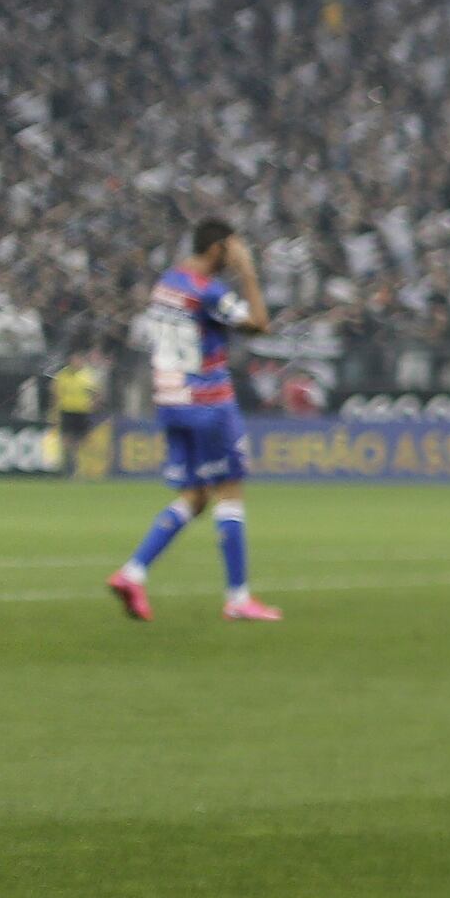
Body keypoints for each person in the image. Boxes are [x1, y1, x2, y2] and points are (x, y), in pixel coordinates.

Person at [104, 219, 283, 623]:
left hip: (169, 400)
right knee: (230, 491)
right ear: (218, 249)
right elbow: (258, 324)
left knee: (196, 496)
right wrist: (248, 273)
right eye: (234, 247)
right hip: (207, 402)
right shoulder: (208, 291)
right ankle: (238, 598)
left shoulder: (168, 282)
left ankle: (133, 573)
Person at [52, 347, 102, 471]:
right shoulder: (62, 375)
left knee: (81, 439)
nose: (76, 362)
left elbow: (96, 393)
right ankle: (69, 464)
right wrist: (54, 409)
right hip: (67, 410)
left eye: (78, 360)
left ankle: (77, 463)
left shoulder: (87, 375)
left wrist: (94, 404)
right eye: (74, 360)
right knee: (66, 438)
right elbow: (55, 393)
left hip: (82, 411)